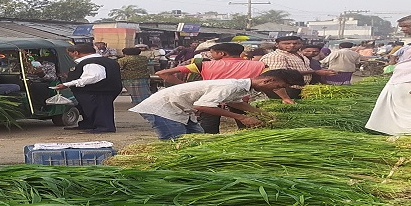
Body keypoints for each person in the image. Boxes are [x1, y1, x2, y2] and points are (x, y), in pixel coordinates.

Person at [129, 69, 305, 140]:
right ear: (268, 80)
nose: (278, 90)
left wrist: (262, 114)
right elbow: (201, 106)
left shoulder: (242, 86)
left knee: (198, 139)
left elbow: (235, 103)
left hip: (180, 109)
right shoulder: (231, 85)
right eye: (279, 86)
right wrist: (241, 118)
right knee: (176, 142)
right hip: (163, 108)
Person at [155, 42, 267, 134]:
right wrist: (285, 98)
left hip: (211, 101)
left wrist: (185, 85)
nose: (210, 55)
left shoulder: (204, 65)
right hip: (241, 101)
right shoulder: (259, 65)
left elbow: (163, 73)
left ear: (221, 53)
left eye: (212, 52)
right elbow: (274, 80)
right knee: (248, 130)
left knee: (209, 132)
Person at [55, 43, 123, 133]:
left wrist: (68, 84)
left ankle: (104, 127)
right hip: (102, 89)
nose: (70, 56)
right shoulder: (103, 60)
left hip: (98, 90)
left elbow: (93, 77)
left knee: (100, 108)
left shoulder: (91, 62)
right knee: (89, 108)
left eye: (69, 53)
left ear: (76, 52)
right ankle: (89, 124)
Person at [259, 36, 336, 104]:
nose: (292, 45)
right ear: (277, 45)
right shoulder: (276, 56)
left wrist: (321, 71)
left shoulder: (300, 54)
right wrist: (315, 71)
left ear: (301, 44)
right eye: (286, 43)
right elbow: (278, 75)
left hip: (300, 89)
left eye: (296, 43)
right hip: (285, 91)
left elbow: (303, 69)